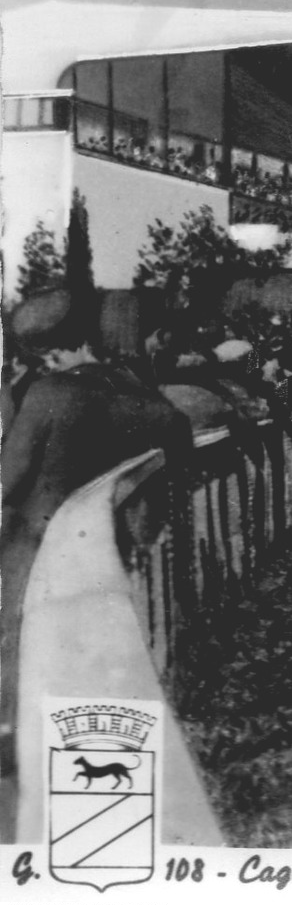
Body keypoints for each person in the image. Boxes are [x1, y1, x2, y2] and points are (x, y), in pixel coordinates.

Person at [0, 290, 193, 832]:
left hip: (34, 563)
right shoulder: (142, 396)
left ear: (53, 351)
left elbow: (7, 482)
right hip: (109, 564)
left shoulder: (48, 394)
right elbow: (179, 440)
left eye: (44, 353)